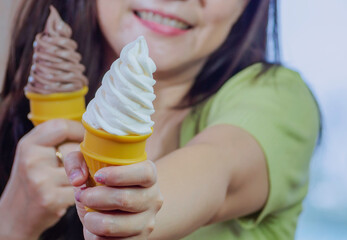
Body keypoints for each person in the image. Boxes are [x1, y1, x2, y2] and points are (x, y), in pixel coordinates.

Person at [0, 0, 320, 239]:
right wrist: (13, 222)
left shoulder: (279, 99)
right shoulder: (14, 108)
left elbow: (219, 171)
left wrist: (132, 208)